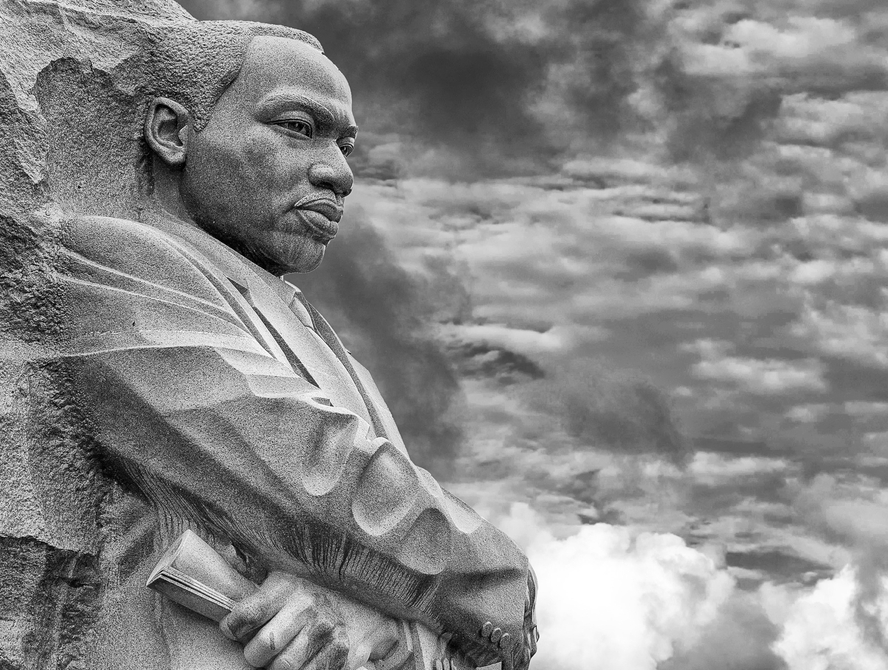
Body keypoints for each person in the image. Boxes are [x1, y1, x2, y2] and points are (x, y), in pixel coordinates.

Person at [54, 22, 537, 670]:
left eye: (345, 143)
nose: (338, 173)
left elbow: (424, 631)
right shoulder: (112, 261)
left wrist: (384, 623)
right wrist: (501, 582)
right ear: (172, 133)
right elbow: (316, 480)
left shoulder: (326, 345)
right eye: (298, 127)